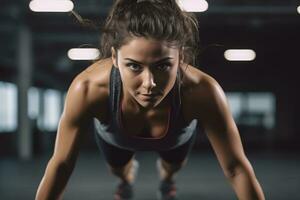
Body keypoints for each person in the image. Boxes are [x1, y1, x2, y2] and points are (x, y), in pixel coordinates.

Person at [35, 0, 265, 199]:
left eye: (163, 65)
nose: (149, 83)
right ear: (115, 57)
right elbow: (62, 165)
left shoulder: (202, 92)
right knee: (120, 170)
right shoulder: (88, 88)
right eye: (134, 66)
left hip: (175, 139)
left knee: (171, 167)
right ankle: (126, 177)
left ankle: (167, 177)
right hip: (115, 139)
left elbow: (236, 168)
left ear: (181, 57)